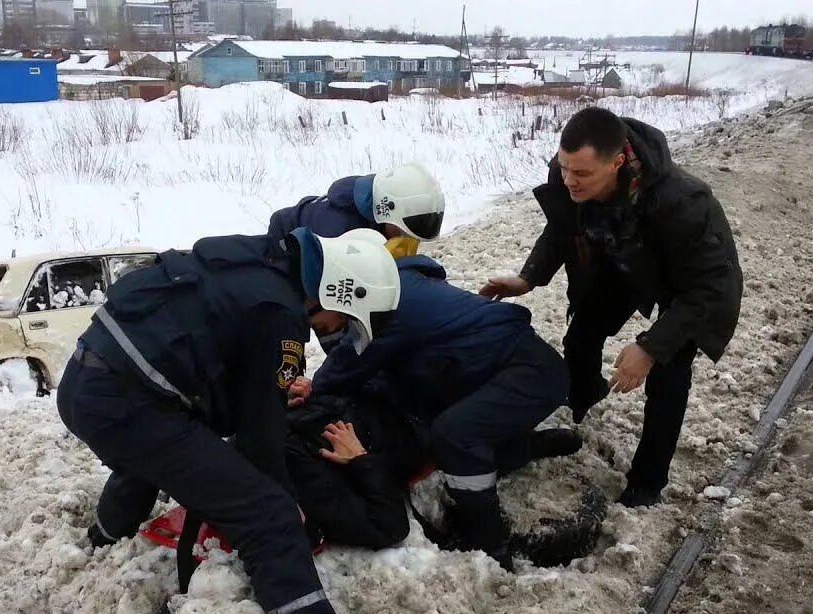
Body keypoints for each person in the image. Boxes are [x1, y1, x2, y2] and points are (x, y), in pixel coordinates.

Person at [57, 227, 400, 614]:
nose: (332, 331)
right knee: (268, 513)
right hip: (127, 405)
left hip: (88, 384)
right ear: (339, 294)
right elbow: (260, 439)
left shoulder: (261, 261)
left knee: (166, 449)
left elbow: (224, 366)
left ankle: (105, 535)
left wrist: (268, 399)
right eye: (347, 320)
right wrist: (287, 505)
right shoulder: (282, 316)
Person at [480, 106, 743, 508]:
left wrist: (650, 347)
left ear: (618, 162)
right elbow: (561, 228)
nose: (569, 180)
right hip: (623, 260)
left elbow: (709, 287)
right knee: (582, 333)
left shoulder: (683, 202)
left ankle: (647, 482)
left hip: (686, 284)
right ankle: (582, 399)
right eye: (564, 168)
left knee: (667, 376)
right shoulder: (570, 172)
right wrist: (528, 277)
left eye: (581, 174)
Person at [302, 253, 577, 569]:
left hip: (530, 374)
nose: (315, 328)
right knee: (445, 436)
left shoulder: (385, 313)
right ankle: (531, 446)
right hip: (506, 369)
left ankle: (489, 539)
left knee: (455, 435)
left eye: (313, 316)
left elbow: (347, 364)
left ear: (336, 295)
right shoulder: (391, 286)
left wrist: (312, 391)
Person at [284, 390, 607, 566]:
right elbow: (388, 527)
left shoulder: (269, 445)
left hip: (397, 404)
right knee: (456, 467)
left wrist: (315, 390)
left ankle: (528, 441)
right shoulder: (305, 486)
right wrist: (360, 461)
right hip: (411, 438)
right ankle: (529, 446)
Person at [267, 162, 447, 246]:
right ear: (386, 212)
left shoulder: (373, 201)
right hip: (283, 246)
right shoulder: (340, 232)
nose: (410, 239)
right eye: (404, 231)